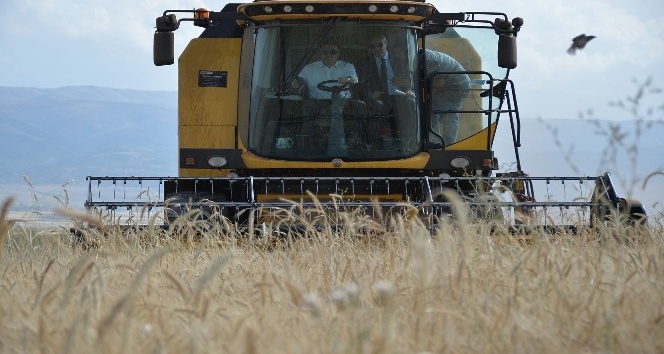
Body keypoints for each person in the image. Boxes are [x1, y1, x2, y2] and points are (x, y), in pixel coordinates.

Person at [425, 49, 471, 145]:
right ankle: (450, 143)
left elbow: (437, 82)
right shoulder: (428, 55)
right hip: (462, 81)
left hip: (455, 83)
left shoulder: (427, 59)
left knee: (431, 109)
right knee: (452, 113)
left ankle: (434, 142)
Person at [358, 33, 412, 113]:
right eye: (372, 46)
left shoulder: (399, 61)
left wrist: (409, 90)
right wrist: (369, 94)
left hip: (399, 97)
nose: (376, 48)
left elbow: (410, 80)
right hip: (377, 99)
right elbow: (360, 84)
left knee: (412, 103)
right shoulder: (364, 63)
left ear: (386, 44)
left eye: (379, 45)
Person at [291, 40, 358, 101]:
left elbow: (354, 80)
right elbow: (297, 82)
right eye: (325, 52)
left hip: (343, 105)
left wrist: (347, 79)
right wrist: (295, 85)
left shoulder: (347, 66)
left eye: (332, 52)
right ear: (320, 53)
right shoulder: (308, 68)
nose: (328, 55)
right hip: (315, 107)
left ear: (338, 54)